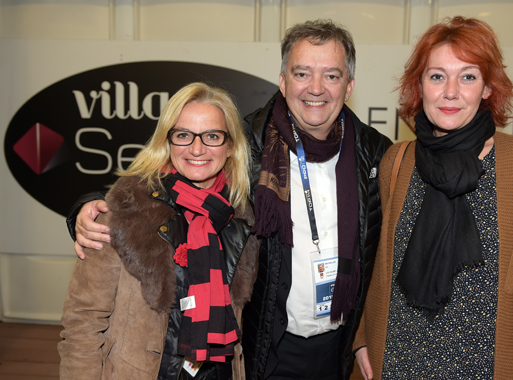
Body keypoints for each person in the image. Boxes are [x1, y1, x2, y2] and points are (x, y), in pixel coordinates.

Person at [70, 19, 393, 380]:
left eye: (331, 76)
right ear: (283, 81)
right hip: (263, 350)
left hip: (337, 348)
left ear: (348, 86)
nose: (315, 88)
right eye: (302, 73)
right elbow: (168, 178)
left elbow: (389, 252)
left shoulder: (378, 155)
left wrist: (364, 336)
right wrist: (88, 206)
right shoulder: (247, 146)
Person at [353, 16, 513, 380]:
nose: (450, 91)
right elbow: (374, 267)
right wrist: (361, 339)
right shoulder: (397, 162)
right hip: (400, 361)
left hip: (485, 368)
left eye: (468, 76)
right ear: (420, 85)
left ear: (487, 88)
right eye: (437, 76)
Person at [58, 82, 259, 380]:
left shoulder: (242, 218)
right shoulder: (122, 212)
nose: (197, 148)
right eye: (183, 135)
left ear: (230, 147)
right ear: (167, 141)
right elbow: (82, 323)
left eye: (212, 136)